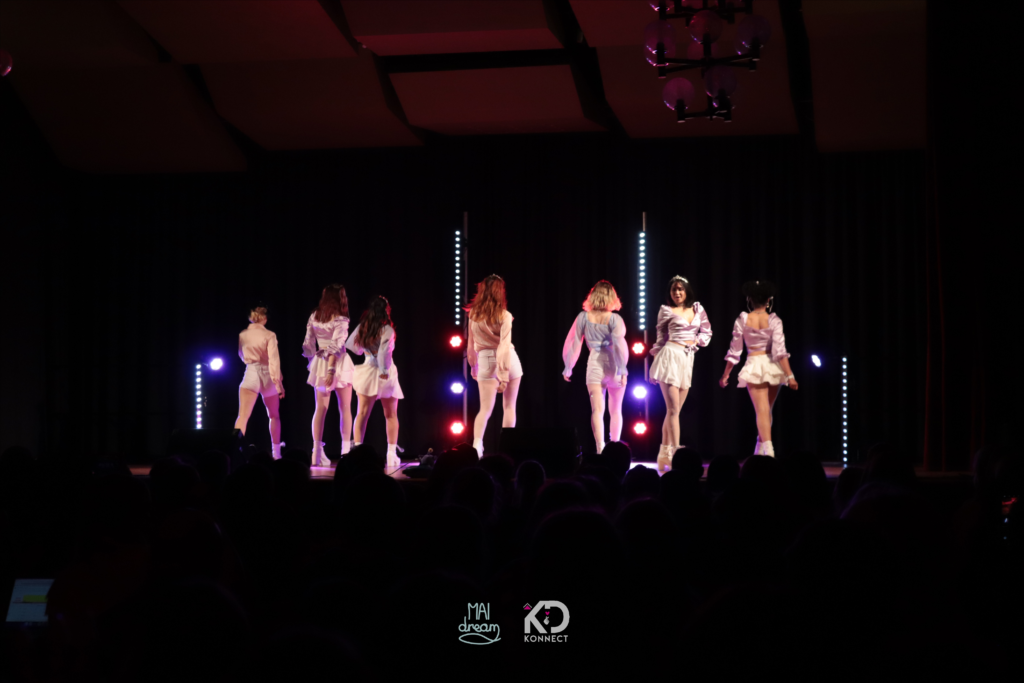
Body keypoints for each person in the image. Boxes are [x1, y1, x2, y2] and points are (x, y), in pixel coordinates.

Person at [719, 280, 798, 457]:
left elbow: (735, 350)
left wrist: (726, 375)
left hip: (755, 364)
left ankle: (767, 451)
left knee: (763, 410)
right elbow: (780, 351)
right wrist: (790, 375)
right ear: (769, 300)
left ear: (749, 299)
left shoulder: (743, 319)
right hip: (772, 366)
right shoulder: (774, 320)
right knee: (766, 410)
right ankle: (762, 449)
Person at [649, 276, 712, 472]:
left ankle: (663, 454)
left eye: (680, 289)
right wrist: (654, 365)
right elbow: (660, 338)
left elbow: (707, 332)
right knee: (674, 410)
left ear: (686, 291)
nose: (676, 293)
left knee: (673, 411)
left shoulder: (698, 309)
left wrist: (697, 341)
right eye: (673, 290)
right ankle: (676, 454)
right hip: (670, 356)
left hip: (686, 360)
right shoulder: (666, 310)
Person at [562, 280, 629, 454]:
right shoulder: (615, 319)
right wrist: (623, 370)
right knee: (616, 410)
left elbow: (574, 343)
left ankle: (600, 449)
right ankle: (615, 450)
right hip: (614, 364)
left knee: (597, 410)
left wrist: (569, 366)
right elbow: (619, 346)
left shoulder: (583, 317)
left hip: (594, 365)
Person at [466, 275, 523, 459]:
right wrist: (503, 375)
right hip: (508, 361)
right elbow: (504, 346)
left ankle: (476, 446)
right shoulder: (504, 315)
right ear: (500, 292)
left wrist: (473, 366)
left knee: (484, 409)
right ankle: (507, 449)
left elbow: (470, 345)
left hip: (484, 361)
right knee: (509, 407)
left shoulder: (473, 314)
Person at [345, 296, 403, 469]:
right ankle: (391, 454)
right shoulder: (387, 329)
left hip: (367, 370)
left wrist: (365, 350)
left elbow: (351, 344)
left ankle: (358, 454)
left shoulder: (364, 326)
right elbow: (384, 352)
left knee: (362, 414)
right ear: (386, 310)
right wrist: (384, 370)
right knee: (391, 414)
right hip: (385, 372)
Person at [301, 284, 355, 467]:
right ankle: (345, 453)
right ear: (340, 298)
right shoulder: (341, 319)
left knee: (320, 408)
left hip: (321, 362)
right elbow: (336, 346)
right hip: (337, 363)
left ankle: (316, 453)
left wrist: (313, 363)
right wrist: (331, 370)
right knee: (345, 408)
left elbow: (308, 343)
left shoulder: (315, 316)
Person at [234, 306, 286, 459]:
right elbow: (274, 361)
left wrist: (251, 361)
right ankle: (276, 453)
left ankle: (235, 452)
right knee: (274, 416)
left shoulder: (243, 334)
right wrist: (278, 383)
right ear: (264, 318)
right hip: (268, 376)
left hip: (251, 373)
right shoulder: (269, 335)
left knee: (243, 416)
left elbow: (241, 355)